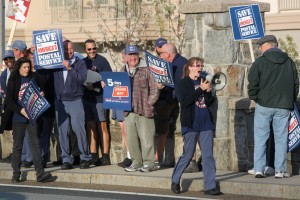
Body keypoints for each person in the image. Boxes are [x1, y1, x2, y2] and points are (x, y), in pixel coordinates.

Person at [248, 35, 299, 178]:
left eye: (261, 45)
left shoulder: (260, 62)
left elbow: (252, 84)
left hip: (264, 104)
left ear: (269, 45)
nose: (259, 48)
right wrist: (290, 100)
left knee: (260, 137)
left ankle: (259, 169)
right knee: (281, 138)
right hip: (283, 105)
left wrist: (256, 98)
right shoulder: (289, 61)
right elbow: (296, 84)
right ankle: (279, 170)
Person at [171, 57, 220, 195]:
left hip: (206, 123)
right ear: (190, 67)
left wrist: (209, 92)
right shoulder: (182, 83)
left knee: (208, 156)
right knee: (188, 154)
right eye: (197, 65)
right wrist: (200, 90)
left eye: (201, 65)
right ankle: (175, 180)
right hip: (191, 124)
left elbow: (209, 102)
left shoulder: (203, 81)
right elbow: (185, 101)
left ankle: (209, 186)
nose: (200, 68)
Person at [0, 57, 52, 182]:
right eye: (24, 67)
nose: (27, 69)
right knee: (18, 146)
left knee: (36, 144)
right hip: (18, 118)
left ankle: (40, 173)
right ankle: (16, 174)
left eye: (28, 67)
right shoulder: (14, 80)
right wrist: (20, 110)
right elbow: (9, 101)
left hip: (32, 117)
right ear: (19, 68)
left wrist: (42, 93)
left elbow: (43, 85)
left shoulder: (33, 77)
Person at [53, 40, 92, 170]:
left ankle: (85, 158)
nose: (68, 51)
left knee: (79, 129)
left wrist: (70, 68)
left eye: (70, 48)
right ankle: (66, 159)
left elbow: (82, 79)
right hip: (60, 101)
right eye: (65, 49)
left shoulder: (79, 63)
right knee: (62, 132)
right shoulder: (56, 63)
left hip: (75, 100)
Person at [123, 45, 160, 173]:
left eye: (135, 55)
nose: (133, 57)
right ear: (126, 57)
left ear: (138, 55)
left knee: (147, 139)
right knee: (132, 139)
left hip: (145, 110)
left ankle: (149, 163)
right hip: (128, 111)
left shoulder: (147, 69)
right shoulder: (122, 71)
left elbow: (155, 89)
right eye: (130, 55)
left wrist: (149, 103)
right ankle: (136, 162)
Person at [154, 43, 188, 169]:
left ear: (167, 54)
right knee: (167, 132)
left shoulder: (180, 64)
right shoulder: (177, 62)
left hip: (176, 102)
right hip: (173, 101)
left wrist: (163, 85)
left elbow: (180, 85)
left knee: (166, 131)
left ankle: (159, 160)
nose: (160, 56)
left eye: (161, 53)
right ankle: (167, 159)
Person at [83, 39, 112, 165]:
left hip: (100, 98)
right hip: (87, 99)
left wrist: (103, 82)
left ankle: (105, 155)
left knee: (102, 126)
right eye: (89, 49)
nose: (92, 51)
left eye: (94, 48)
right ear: (85, 50)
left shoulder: (102, 61)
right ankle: (93, 154)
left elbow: (110, 77)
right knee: (90, 127)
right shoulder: (82, 62)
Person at [112, 50, 132, 168]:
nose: (123, 57)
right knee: (124, 131)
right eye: (123, 55)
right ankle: (129, 156)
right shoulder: (122, 70)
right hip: (120, 103)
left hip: (132, 105)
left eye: (126, 55)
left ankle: (135, 156)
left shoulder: (139, 69)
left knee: (131, 132)